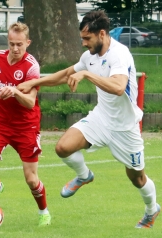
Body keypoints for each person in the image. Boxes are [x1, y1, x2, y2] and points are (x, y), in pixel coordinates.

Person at [17, 10, 160, 228]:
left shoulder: (119, 54)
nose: (83, 43)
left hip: (125, 127)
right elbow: (66, 74)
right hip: (101, 119)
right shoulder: (89, 57)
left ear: (101, 34)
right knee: (63, 147)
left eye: (87, 38)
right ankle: (84, 175)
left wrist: (86, 74)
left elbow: (119, 87)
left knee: (137, 178)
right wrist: (34, 83)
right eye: (82, 38)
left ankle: (152, 210)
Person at [0, 22, 51, 227]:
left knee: (31, 179)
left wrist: (16, 91)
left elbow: (30, 102)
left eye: (19, 44)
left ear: (28, 42)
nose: (15, 49)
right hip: (0, 122)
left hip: (26, 126)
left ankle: (43, 211)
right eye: (11, 44)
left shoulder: (31, 66)